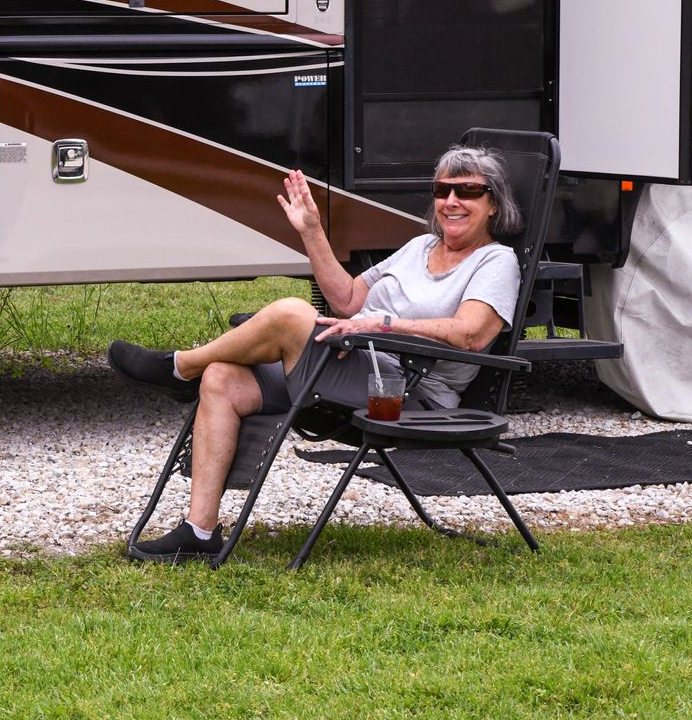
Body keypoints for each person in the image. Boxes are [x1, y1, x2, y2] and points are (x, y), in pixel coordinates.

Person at [108, 144, 523, 562]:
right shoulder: (419, 247)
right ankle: (199, 532)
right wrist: (311, 230)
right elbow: (346, 300)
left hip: (407, 392)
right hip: (355, 360)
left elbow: (472, 334)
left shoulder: (495, 262)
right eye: (442, 190)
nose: (451, 201)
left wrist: (382, 325)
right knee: (221, 378)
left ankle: (179, 368)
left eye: (468, 191)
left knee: (291, 313)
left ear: (493, 204)